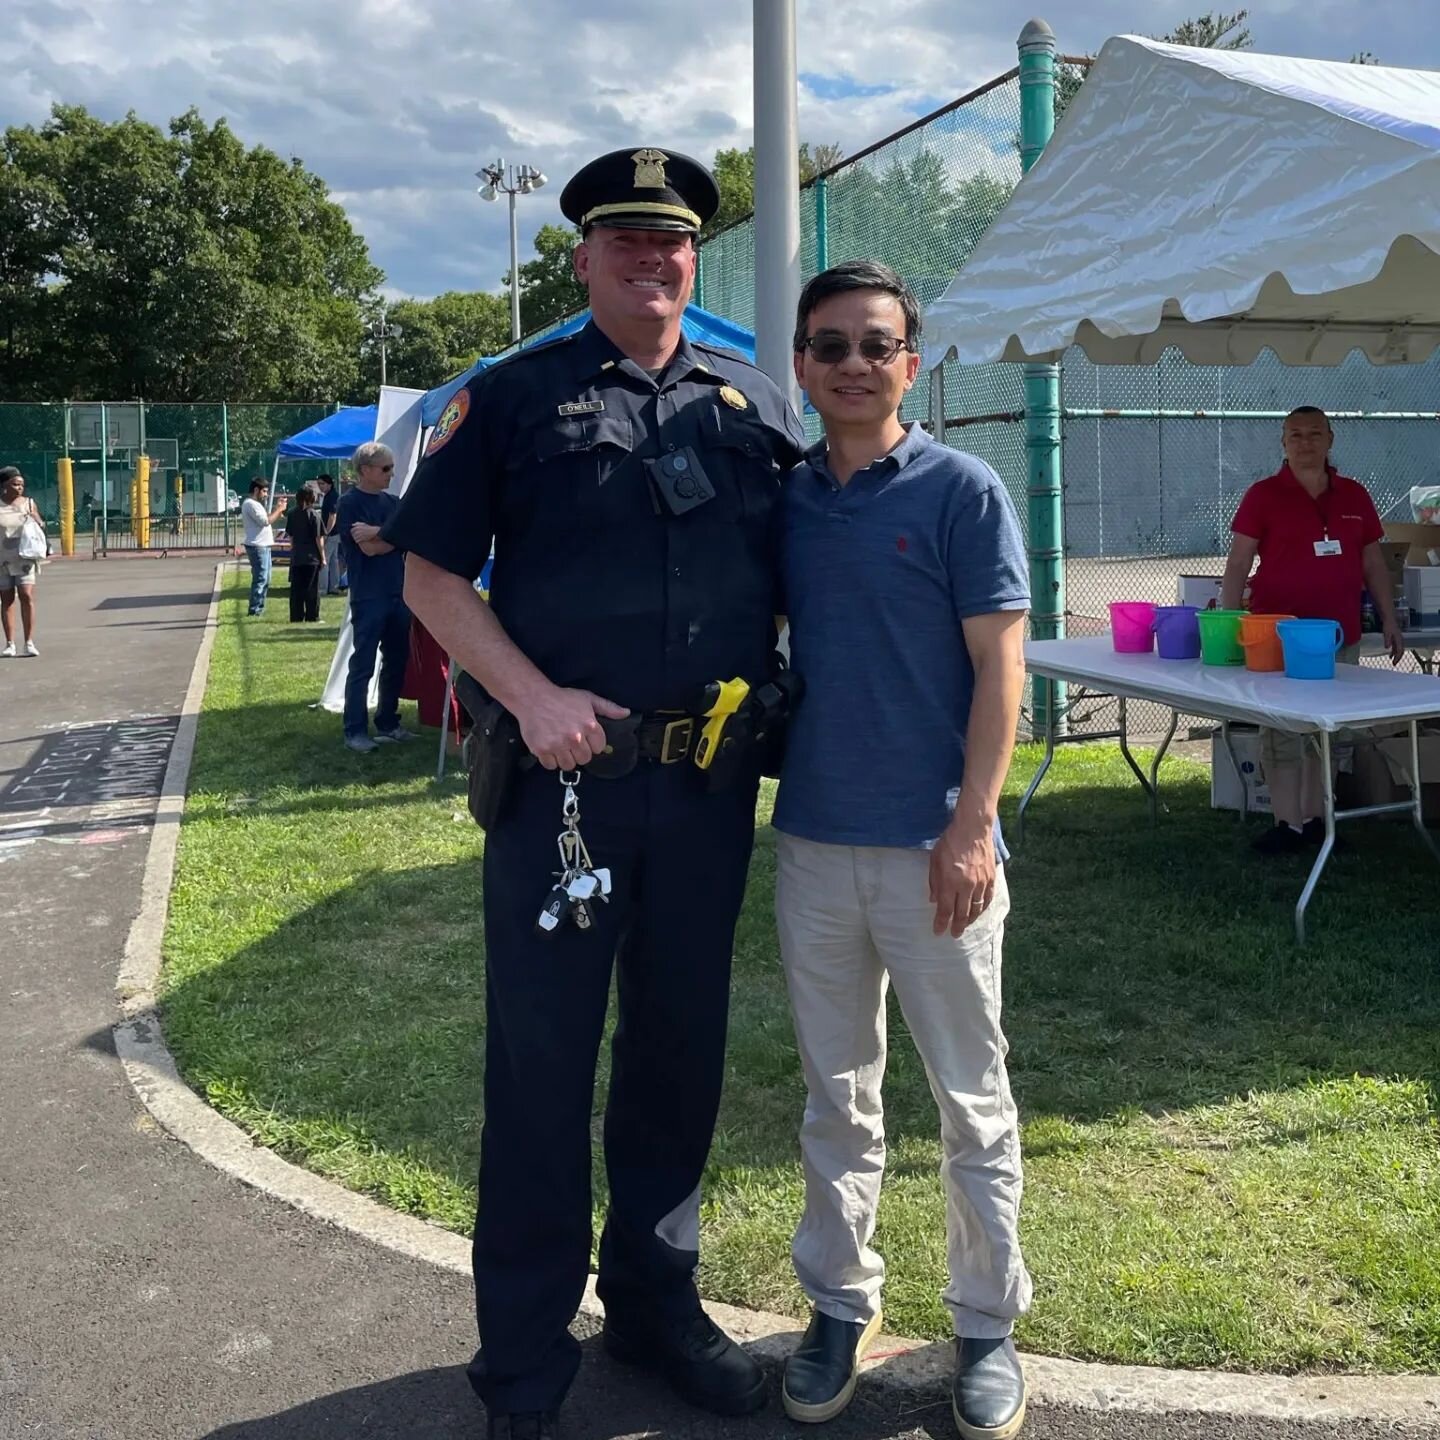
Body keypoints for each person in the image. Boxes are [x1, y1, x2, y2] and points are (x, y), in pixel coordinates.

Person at [383, 147, 806, 1440]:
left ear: (694, 258)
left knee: (680, 1060)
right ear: (579, 258)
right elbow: (432, 580)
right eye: (621, 237)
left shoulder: (755, 407)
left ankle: (653, 1303)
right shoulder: (508, 400)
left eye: (669, 239)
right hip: (560, 798)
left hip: (705, 792)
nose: (648, 257)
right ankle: (520, 1360)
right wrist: (528, 696)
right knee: (544, 1070)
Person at [774, 261, 1032, 1440]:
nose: (851, 364)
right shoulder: (786, 500)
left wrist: (971, 828)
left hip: (939, 849)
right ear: (802, 365)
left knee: (969, 1101)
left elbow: (1002, 669)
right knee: (838, 1098)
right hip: (816, 849)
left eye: (875, 345)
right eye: (829, 346)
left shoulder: (963, 491)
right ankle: (839, 1304)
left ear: (910, 365)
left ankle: (985, 1325)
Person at [1221, 406, 1402, 855]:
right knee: (1283, 733)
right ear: (1283, 443)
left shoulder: (1356, 496)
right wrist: (1228, 624)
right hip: (1276, 638)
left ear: (1330, 439)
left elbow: (1374, 564)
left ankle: (1319, 822)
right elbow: (1239, 562)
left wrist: (1390, 618)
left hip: (1337, 638)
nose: (1306, 443)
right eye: (1296, 435)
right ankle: (1288, 825)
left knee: (1330, 734)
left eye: (1314, 434)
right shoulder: (1263, 495)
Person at [337, 442, 413, 752]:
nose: (391, 474)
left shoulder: (394, 503)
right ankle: (355, 731)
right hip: (369, 596)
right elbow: (367, 548)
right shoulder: (349, 504)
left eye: (392, 467)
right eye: (385, 468)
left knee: (397, 661)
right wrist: (390, 536)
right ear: (365, 470)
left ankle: (388, 722)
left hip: (399, 592)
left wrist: (379, 533)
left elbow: (409, 537)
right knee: (363, 664)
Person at [0, 466, 44, 657]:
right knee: (7, 600)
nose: (19, 488)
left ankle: (29, 642)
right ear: (4, 486)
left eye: (21, 485)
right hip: (2, 560)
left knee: (26, 595)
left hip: (25, 557)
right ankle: (10, 643)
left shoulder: (29, 503)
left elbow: (41, 525)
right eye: (15, 484)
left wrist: (37, 519)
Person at [239, 478, 288, 616]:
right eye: (264, 491)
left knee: (266, 578)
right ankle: (255, 610)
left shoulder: (256, 504)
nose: (266, 494)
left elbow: (266, 517)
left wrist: (276, 510)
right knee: (260, 579)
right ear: (256, 490)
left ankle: (259, 607)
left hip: (263, 546)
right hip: (257, 546)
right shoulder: (250, 504)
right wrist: (279, 509)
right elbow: (266, 521)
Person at [285, 482, 324, 623]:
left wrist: (294, 549)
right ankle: (312, 616)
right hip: (311, 557)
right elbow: (318, 539)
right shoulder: (314, 515)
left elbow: (291, 537)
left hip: (297, 556)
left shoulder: (292, 514)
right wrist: (323, 558)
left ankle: (296, 616)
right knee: (312, 589)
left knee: (296, 589)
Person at [316, 474, 344, 595]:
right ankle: (334, 586)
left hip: (331, 533)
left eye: (322, 484)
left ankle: (322, 588)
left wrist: (326, 532)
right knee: (333, 560)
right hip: (335, 533)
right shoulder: (329, 496)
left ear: (329, 484)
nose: (320, 486)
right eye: (319, 484)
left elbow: (333, 516)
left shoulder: (332, 497)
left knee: (324, 560)